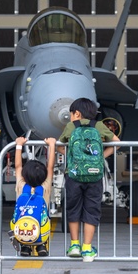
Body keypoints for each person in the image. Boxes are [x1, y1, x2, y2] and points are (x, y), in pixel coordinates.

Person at [57, 97, 119, 262]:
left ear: (77, 113)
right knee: (92, 210)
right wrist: (102, 158)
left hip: (74, 175)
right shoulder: (98, 126)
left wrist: (71, 158)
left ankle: (75, 245)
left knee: (73, 209)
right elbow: (117, 142)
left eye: (71, 114)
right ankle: (87, 248)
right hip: (95, 175)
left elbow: (58, 145)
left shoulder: (71, 126)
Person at [11, 135, 57, 256]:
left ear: (24, 175)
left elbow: (17, 166)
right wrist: (52, 145)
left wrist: (19, 145)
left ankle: (25, 246)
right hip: (40, 230)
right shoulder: (45, 187)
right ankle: (41, 245)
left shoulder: (21, 186)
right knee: (43, 222)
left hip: (22, 229)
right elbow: (50, 167)